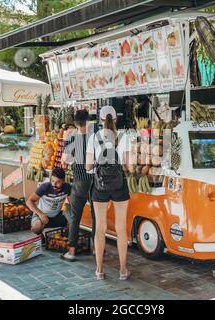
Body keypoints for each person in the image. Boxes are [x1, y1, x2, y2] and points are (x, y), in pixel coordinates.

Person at [85, 106, 132, 281]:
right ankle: (122, 271)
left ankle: (99, 270)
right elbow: (130, 167)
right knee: (121, 228)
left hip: (100, 186)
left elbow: (88, 166)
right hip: (120, 186)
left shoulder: (93, 138)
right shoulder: (123, 137)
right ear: (116, 119)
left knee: (100, 229)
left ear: (100, 120)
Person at [60, 110, 93, 262]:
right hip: (95, 181)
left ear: (75, 122)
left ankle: (72, 252)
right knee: (97, 216)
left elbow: (66, 159)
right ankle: (97, 249)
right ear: (88, 120)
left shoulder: (72, 137)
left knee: (75, 216)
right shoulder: (96, 136)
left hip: (79, 180)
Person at [26, 168, 71, 236]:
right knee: (36, 228)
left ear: (63, 181)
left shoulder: (67, 187)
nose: (54, 184)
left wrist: (70, 217)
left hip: (57, 215)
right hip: (41, 215)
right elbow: (29, 201)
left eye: (58, 182)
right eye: (52, 181)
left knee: (72, 219)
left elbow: (72, 203)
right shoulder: (45, 187)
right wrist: (41, 214)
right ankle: (38, 225)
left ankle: (69, 240)